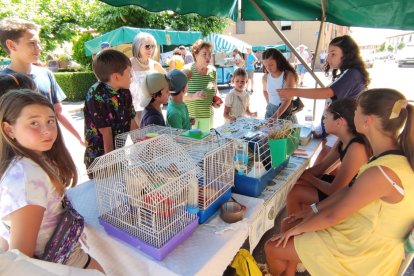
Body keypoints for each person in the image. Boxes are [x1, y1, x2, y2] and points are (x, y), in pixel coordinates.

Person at [264, 88, 414, 276]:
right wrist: (311, 211)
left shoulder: (380, 172)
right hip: (361, 234)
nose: (354, 114)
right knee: (289, 223)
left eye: (357, 110)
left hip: (363, 251)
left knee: (273, 246)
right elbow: (349, 191)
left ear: (368, 121)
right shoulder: (393, 156)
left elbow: (332, 216)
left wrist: (300, 227)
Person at [0, 90, 104, 272]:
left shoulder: (38, 158)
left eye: (50, 121)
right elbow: (21, 258)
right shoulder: (28, 178)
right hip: (62, 265)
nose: (47, 130)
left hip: (69, 255)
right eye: (34, 123)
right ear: (9, 130)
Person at [0, 18, 85, 146]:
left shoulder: (46, 74)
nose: (39, 48)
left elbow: (59, 111)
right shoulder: (3, 82)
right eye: (32, 43)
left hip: (52, 149)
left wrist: (80, 137)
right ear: (11, 45)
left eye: (39, 43)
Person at [285, 98, 371, 221]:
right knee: (298, 184)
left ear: (339, 122)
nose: (323, 121)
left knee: (295, 193)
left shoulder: (356, 148)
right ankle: (302, 223)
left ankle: (294, 231)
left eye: (326, 116)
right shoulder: (343, 140)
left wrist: (307, 176)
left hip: (350, 197)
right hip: (341, 190)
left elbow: (335, 190)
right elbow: (322, 167)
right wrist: (298, 175)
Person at [84, 49, 137, 171]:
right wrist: (113, 165)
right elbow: (106, 133)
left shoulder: (125, 91)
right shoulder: (96, 94)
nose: (131, 76)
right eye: (129, 73)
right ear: (116, 77)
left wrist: (141, 146)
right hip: (101, 160)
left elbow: (132, 121)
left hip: (118, 153)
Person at [130, 32, 166, 125]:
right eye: (147, 46)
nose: (150, 49)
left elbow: (169, 83)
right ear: (137, 46)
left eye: (153, 46)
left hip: (155, 111)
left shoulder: (155, 65)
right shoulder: (129, 65)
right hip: (135, 113)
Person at [184, 40, 218, 132]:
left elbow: (214, 93)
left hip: (208, 118)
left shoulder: (213, 71)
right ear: (196, 54)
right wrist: (194, 96)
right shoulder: (187, 70)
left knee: (207, 144)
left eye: (210, 54)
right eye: (204, 54)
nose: (208, 57)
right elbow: (178, 96)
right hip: (192, 119)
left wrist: (215, 102)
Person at [262, 48, 298, 121]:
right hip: (270, 111)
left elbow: (288, 98)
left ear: (278, 61)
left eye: (271, 65)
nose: (268, 68)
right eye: (265, 66)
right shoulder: (265, 77)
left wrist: (275, 116)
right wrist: (270, 104)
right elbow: (265, 91)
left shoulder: (288, 75)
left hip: (285, 111)